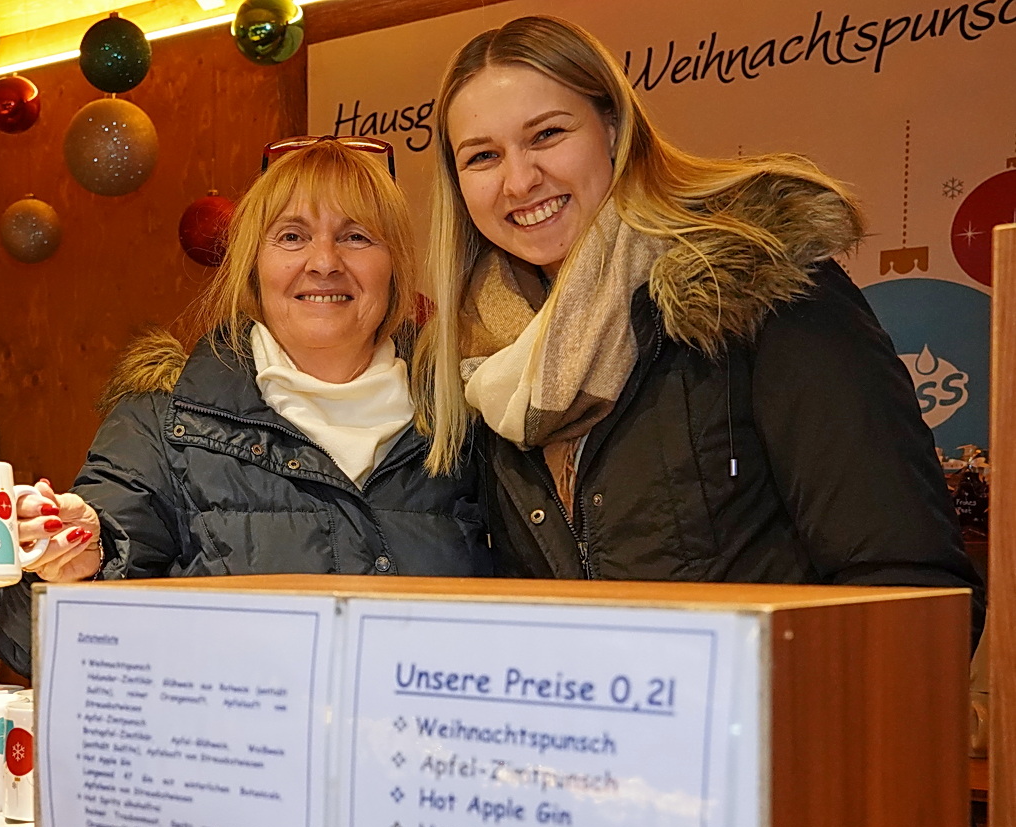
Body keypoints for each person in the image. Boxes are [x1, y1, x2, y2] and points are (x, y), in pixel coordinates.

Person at [416, 15, 980, 629]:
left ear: (613, 128)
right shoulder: (472, 368)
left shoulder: (754, 287)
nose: (520, 180)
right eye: (483, 156)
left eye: (547, 134)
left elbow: (907, 583)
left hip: (780, 717)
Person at [0, 138, 490, 673]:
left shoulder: (468, 411)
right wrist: (73, 563)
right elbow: (27, 641)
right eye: (292, 236)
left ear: (394, 263)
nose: (324, 262)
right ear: (254, 264)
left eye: (356, 236)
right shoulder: (163, 420)